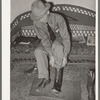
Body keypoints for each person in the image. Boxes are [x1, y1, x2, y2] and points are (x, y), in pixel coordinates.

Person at [30, 0, 71, 94]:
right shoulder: (36, 23)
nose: (40, 20)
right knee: (38, 51)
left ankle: (57, 82)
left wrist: (65, 56)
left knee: (58, 47)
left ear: (47, 12)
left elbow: (66, 37)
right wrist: (51, 56)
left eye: (41, 17)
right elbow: (44, 40)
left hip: (59, 39)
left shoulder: (59, 18)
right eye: (38, 18)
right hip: (48, 41)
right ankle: (45, 78)